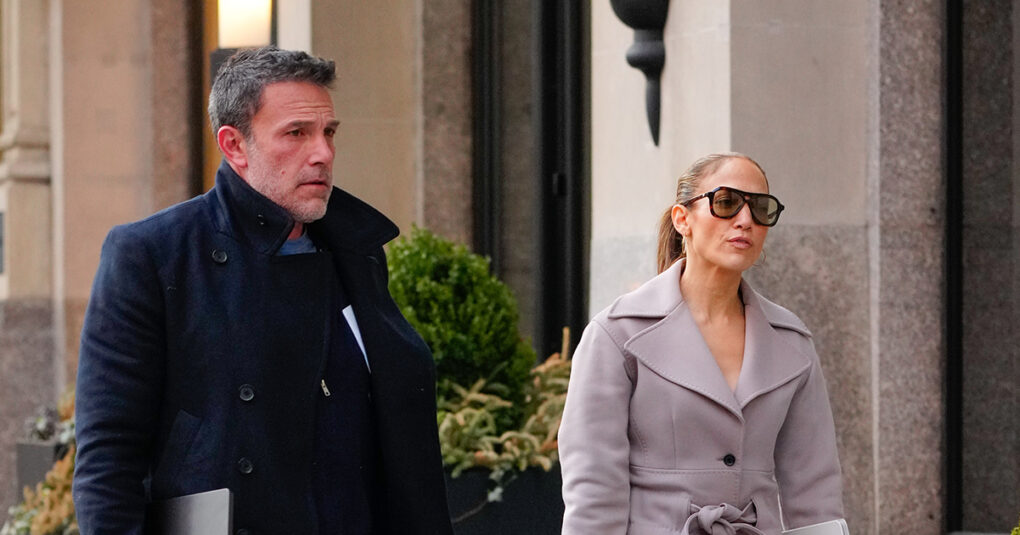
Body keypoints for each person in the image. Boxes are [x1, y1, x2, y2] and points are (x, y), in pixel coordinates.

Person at [73, 46, 454, 534]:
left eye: (328, 132)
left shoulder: (356, 251)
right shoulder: (154, 254)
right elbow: (109, 456)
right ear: (234, 145)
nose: (323, 153)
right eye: (297, 133)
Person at [558, 153, 846, 534]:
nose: (745, 220)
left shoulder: (791, 341)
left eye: (760, 208)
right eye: (726, 202)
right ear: (683, 219)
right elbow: (594, 492)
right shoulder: (617, 335)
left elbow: (815, 494)